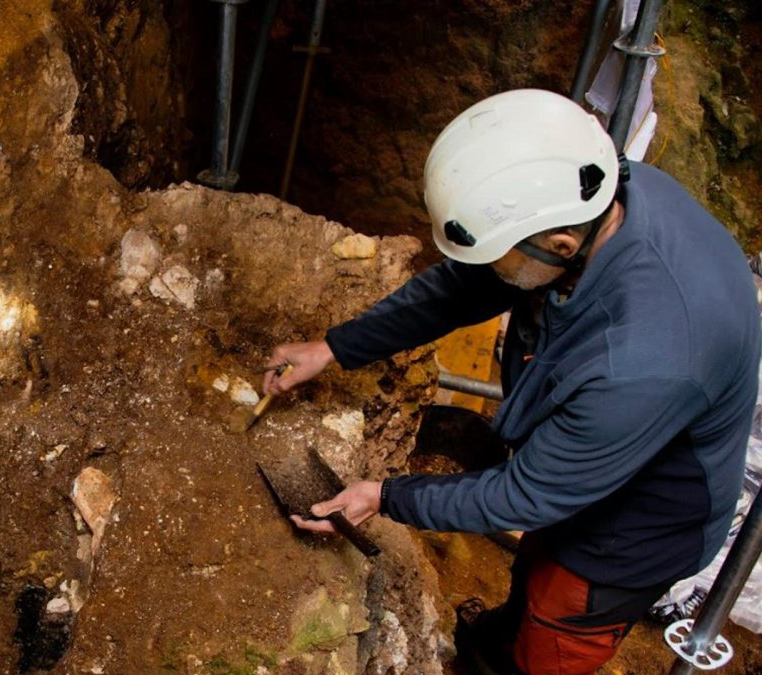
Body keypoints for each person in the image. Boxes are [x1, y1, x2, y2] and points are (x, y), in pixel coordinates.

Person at [262, 89, 760, 674]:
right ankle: (497, 643)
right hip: (589, 455)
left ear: (561, 247)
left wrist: (385, 495)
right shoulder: (597, 197)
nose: (489, 271)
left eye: (499, 256)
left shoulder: (643, 361)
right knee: (532, 574)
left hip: (629, 535)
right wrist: (334, 348)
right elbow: (462, 288)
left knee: (557, 614)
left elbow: (527, 494)